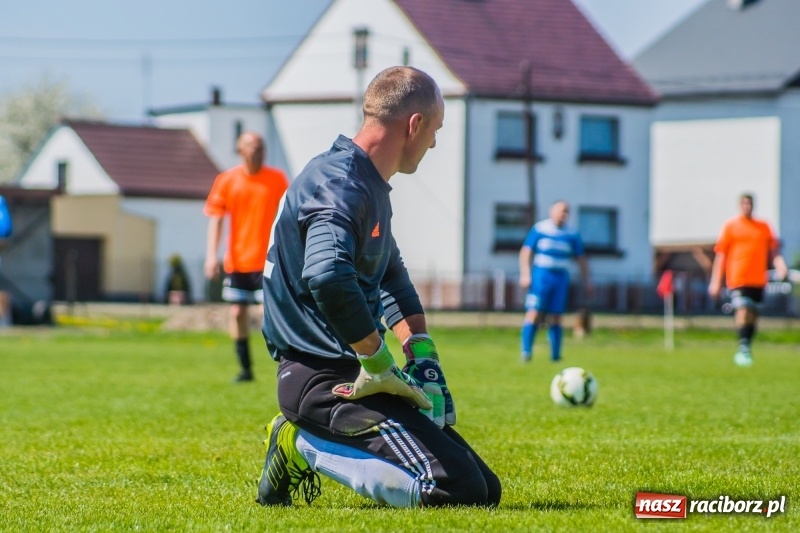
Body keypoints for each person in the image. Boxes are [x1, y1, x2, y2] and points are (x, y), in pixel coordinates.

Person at [256, 66, 501, 508]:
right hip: (321, 380)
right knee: (456, 489)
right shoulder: (340, 185)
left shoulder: (366, 182)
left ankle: (310, 436)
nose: (433, 144)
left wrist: (422, 355)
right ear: (415, 125)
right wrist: (379, 359)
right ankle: (298, 443)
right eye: (435, 130)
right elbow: (327, 275)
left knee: (485, 489)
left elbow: (391, 276)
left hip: (359, 374)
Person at [204, 132, 289, 382]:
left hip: (268, 261)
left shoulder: (277, 179)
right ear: (240, 149)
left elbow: (287, 217)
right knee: (236, 313)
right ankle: (245, 368)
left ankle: (285, 367)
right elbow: (216, 220)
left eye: (261, 146)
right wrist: (212, 256)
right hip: (238, 262)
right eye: (252, 146)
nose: (258, 150)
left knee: (269, 314)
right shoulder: (227, 180)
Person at [708, 193, 788, 367]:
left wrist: (781, 266)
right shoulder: (731, 226)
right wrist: (716, 281)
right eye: (744, 204)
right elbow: (721, 255)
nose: (747, 207)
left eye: (749, 204)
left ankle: (746, 346)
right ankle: (743, 348)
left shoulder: (764, 227)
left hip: (758, 279)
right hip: (737, 278)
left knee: (753, 315)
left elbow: (774, 252)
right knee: (743, 310)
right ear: (739, 205)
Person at [518, 201, 591, 363]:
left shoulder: (572, 234)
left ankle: (555, 355)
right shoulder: (540, 229)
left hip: (561, 277)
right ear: (552, 211)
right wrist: (525, 274)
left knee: (556, 316)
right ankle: (526, 352)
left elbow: (581, 259)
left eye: (566, 212)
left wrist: (587, 281)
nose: (563, 215)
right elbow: (526, 251)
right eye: (560, 211)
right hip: (541, 276)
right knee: (534, 313)